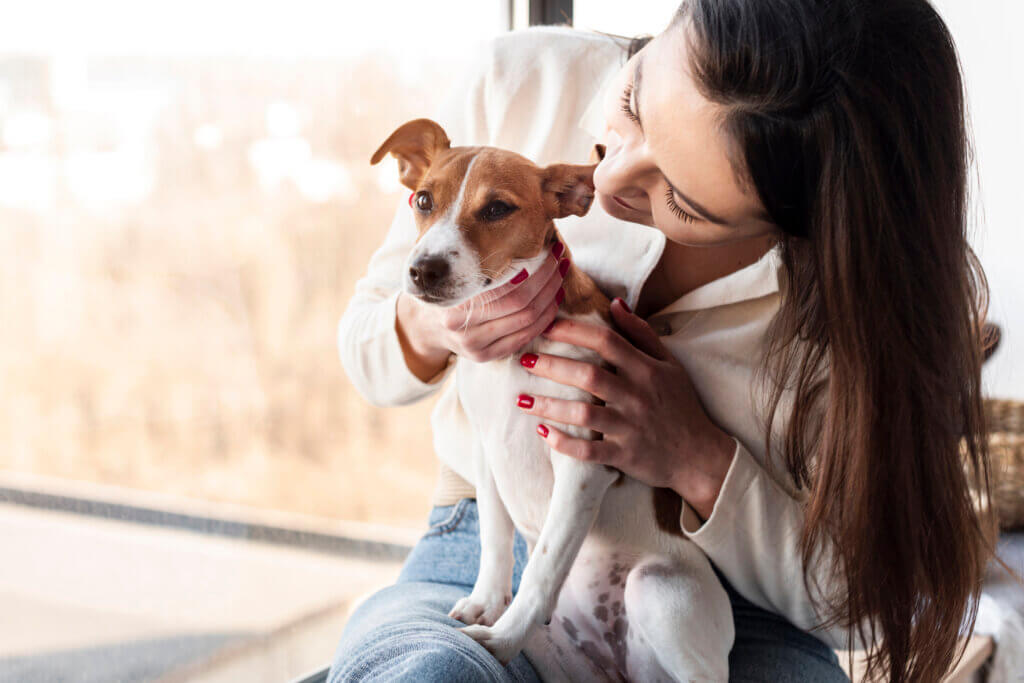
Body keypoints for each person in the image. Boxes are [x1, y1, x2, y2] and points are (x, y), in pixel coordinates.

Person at [330, 1, 993, 681]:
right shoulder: (519, 78)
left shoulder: (852, 299)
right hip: (474, 550)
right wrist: (442, 319)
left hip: (725, 598)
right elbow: (364, 351)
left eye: (679, 197)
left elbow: (858, 600)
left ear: (799, 222)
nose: (608, 179)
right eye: (633, 100)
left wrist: (698, 459)